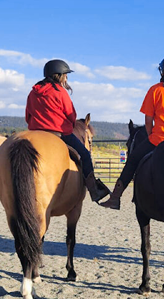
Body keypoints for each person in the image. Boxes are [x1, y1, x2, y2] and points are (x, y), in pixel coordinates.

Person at [100, 53, 164, 210]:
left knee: (133, 159)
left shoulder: (155, 90)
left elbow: (148, 121)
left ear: (163, 71)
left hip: (160, 139)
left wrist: (151, 136)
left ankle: (115, 197)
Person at [25, 59, 110, 203]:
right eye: (65, 75)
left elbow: (28, 116)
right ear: (59, 75)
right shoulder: (60, 92)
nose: (66, 78)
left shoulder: (33, 93)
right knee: (84, 154)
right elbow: (72, 115)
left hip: (35, 133)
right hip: (58, 134)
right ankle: (94, 190)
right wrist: (69, 126)